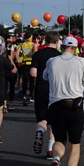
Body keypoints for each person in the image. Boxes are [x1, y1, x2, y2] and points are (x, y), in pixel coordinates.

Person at [43, 36, 84, 166]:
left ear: (62, 46)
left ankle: (56, 159)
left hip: (56, 105)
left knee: (59, 140)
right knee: (75, 144)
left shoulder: (52, 61)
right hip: (75, 106)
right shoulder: (81, 62)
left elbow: (45, 77)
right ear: (75, 48)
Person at [30, 31, 62, 159]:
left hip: (41, 88)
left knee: (42, 118)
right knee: (54, 120)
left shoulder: (38, 54)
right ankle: (50, 149)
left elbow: (33, 73)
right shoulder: (60, 56)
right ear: (58, 41)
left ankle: (39, 131)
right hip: (56, 90)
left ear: (45, 40)